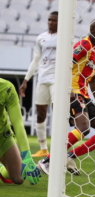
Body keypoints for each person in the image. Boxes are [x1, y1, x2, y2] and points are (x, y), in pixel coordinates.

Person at [38, 18, 95, 175]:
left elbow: (92, 78)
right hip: (71, 92)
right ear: (93, 30)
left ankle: (69, 157)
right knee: (84, 128)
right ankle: (47, 161)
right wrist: (66, 88)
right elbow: (63, 65)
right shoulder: (84, 45)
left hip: (84, 95)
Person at [19, 11, 59, 158]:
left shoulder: (65, 37)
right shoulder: (40, 38)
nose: (50, 22)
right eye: (49, 20)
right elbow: (36, 60)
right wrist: (25, 81)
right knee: (40, 113)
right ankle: (43, 148)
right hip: (42, 79)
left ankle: (59, 147)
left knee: (58, 113)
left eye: (54, 20)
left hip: (57, 80)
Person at [0, 78, 41, 185]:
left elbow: (18, 123)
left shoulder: (6, 87)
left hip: (2, 136)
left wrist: (27, 157)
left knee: (19, 178)